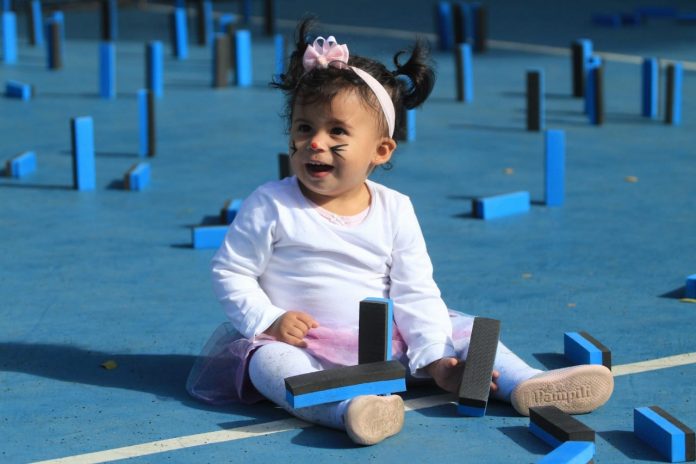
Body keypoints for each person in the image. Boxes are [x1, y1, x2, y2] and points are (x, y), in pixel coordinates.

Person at [187, 19, 613, 446]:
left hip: (388, 344)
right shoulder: (271, 203)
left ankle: (525, 385)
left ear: (381, 150)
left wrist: (436, 358)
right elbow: (231, 271)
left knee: (462, 329)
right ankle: (347, 410)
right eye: (304, 128)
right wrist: (269, 320)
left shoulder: (395, 208)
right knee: (267, 363)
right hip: (308, 347)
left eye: (337, 131)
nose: (316, 142)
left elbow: (416, 291)